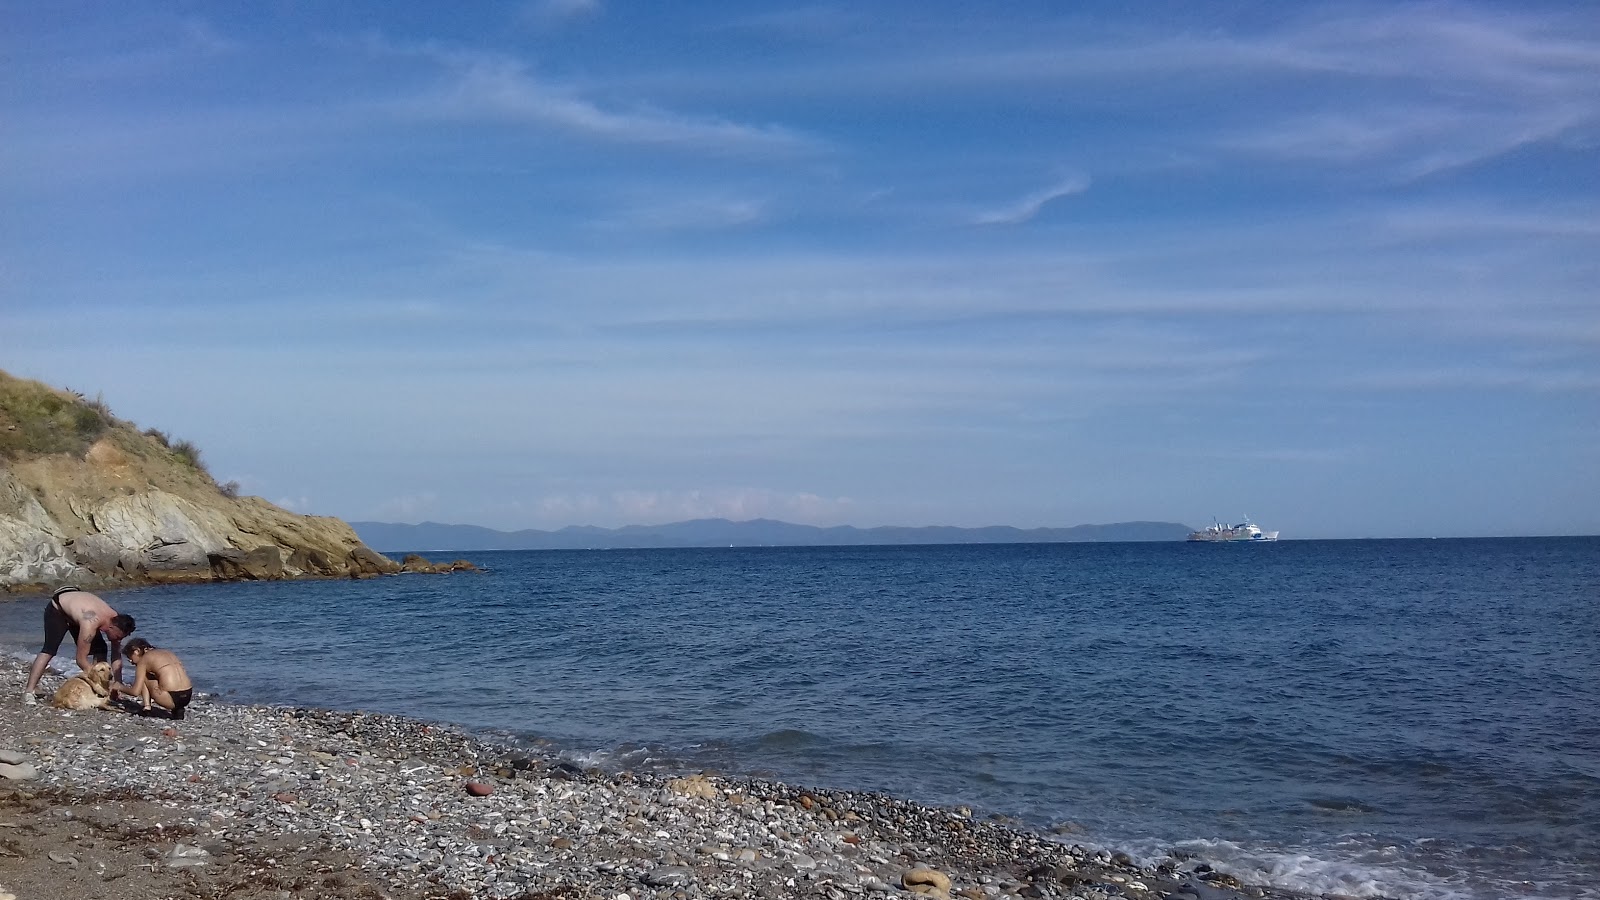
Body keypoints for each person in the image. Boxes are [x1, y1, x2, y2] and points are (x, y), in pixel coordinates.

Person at [22, 585, 136, 704]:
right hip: (58, 609)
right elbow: (80, 659)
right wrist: (96, 678)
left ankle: (102, 691)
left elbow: (116, 657)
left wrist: (117, 683)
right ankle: (29, 691)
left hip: (79, 608)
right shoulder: (90, 625)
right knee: (49, 649)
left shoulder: (116, 619)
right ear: (112, 627)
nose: (117, 640)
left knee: (101, 649)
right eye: (117, 637)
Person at [113, 638, 193, 720]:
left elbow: (135, 692)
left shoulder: (143, 660)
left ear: (136, 651)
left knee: (143, 675)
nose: (131, 661)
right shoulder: (166, 652)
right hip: (187, 696)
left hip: (169, 698)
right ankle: (178, 710)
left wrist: (119, 686)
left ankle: (147, 707)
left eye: (130, 657)